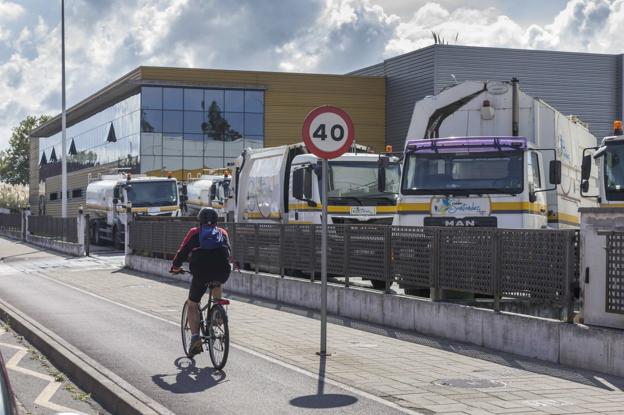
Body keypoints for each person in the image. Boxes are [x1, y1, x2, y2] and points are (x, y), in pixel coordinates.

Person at [170, 208, 232, 357]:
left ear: (199, 221)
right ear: (217, 221)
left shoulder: (194, 233)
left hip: (201, 274)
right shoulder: (222, 233)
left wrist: (175, 267)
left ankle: (195, 339)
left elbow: (182, 252)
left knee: (192, 304)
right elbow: (228, 253)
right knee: (217, 282)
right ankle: (218, 314)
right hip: (222, 272)